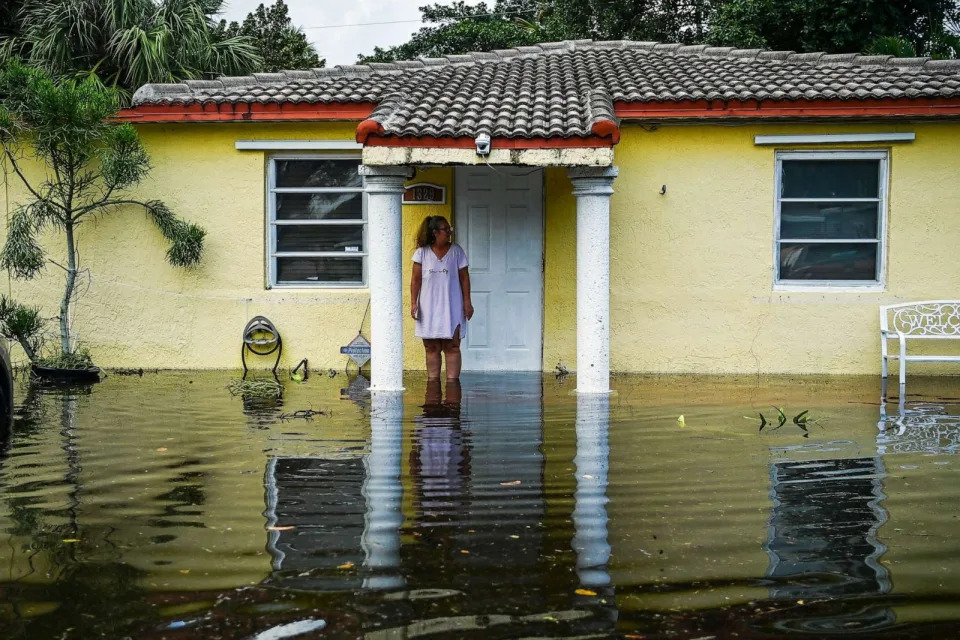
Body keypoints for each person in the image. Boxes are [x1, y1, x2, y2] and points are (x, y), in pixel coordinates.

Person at [411, 216, 473, 380]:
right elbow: (415, 280)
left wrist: (467, 302)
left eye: (449, 229)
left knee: (452, 346)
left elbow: (464, 278)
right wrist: (413, 303)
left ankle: (453, 388)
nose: (449, 232)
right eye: (446, 229)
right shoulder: (421, 253)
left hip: (452, 305)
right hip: (428, 306)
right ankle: (433, 387)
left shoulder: (456, 252)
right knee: (431, 347)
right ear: (435, 232)